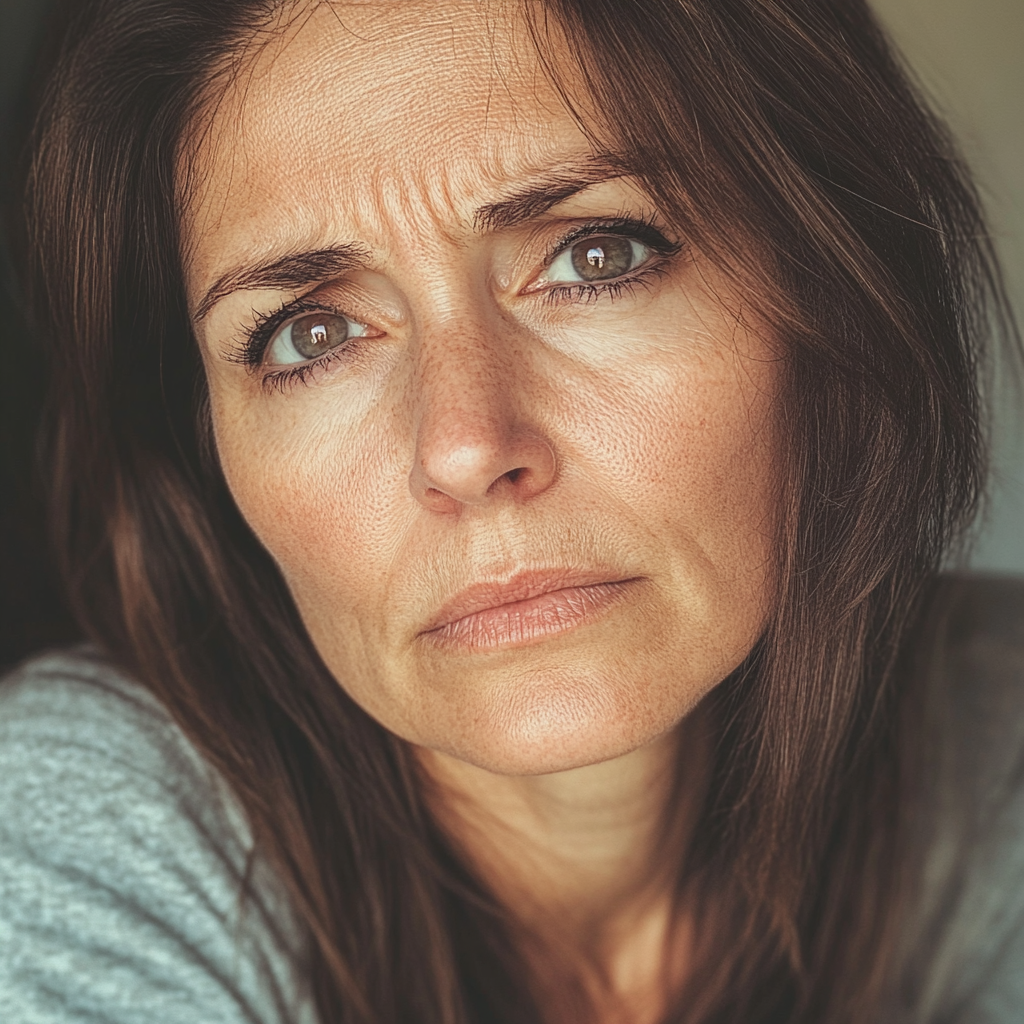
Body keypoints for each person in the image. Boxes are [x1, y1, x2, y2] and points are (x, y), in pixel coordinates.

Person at [1, 0, 1022, 1021]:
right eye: (310, 335)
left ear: (831, 283)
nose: (466, 446)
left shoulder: (992, 753)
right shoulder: (72, 836)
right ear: (207, 450)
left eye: (594, 256)